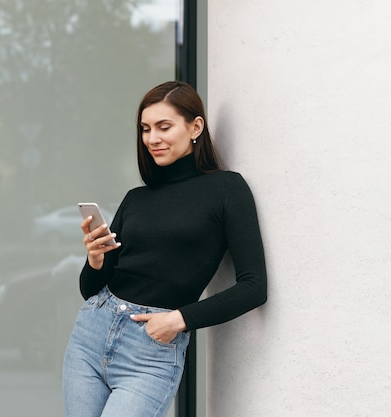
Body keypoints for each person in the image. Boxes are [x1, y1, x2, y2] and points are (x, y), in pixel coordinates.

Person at [62, 81, 267, 417]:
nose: (152, 138)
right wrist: (95, 260)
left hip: (151, 348)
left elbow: (254, 287)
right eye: (145, 129)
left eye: (164, 126)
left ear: (195, 126)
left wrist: (179, 320)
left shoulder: (227, 189)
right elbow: (90, 290)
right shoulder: (136, 198)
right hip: (90, 335)